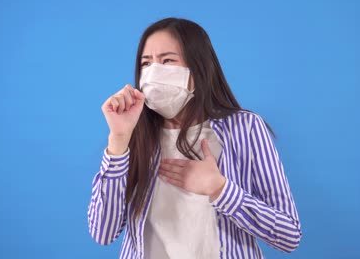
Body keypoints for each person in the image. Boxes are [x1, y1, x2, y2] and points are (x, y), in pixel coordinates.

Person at [87, 18, 302, 259]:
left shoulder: (246, 128)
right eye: (146, 64)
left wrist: (220, 189)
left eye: (167, 60)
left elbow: (289, 234)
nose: (154, 72)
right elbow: (102, 233)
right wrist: (118, 139)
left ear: (198, 68)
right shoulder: (135, 133)